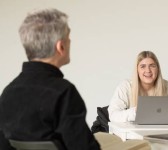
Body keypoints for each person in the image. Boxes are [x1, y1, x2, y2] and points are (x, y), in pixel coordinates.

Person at [0, 8, 100, 150]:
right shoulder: (64, 92)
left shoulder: (8, 93)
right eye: (68, 38)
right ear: (61, 46)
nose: (70, 41)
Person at [108, 51, 168, 122]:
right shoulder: (126, 86)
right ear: (137, 70)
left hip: (158, 131)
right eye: (143, 66)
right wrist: (137, 111)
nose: (148, 70)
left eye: (152, 66)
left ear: (158, 69)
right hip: (131, 132)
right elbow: (113, 115)